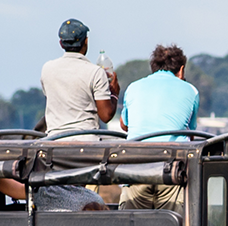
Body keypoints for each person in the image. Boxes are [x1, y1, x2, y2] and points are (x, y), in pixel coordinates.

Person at [118, 44, 199, 212]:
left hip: (135, 167)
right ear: (181, 70)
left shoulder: (133, 87)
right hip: (172, 170)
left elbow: (124, 125)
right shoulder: (191, 91)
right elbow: (190, 133)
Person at [40, 18, 120, 136]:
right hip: (85, 141)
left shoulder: (47, 69)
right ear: (86, 41)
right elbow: (106, 115)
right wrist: (114, 94)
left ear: (61, 44)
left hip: (54, 140)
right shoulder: (96, 72)